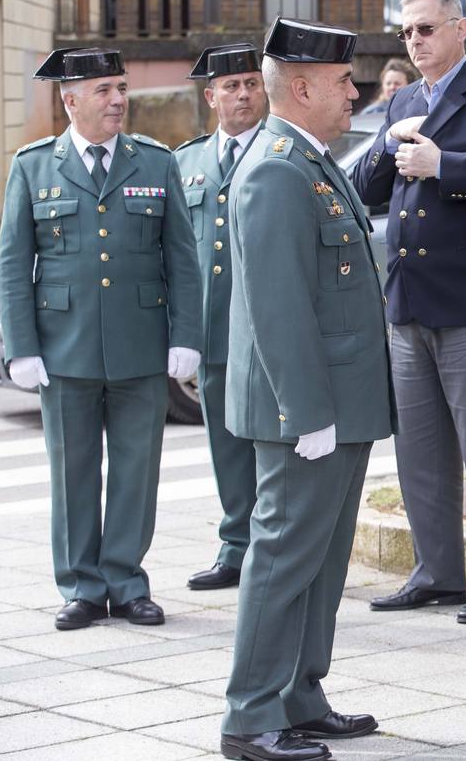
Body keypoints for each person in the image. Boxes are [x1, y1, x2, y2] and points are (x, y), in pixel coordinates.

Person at [220, 18, 395, 761]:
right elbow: (277, 305)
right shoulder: (275, 169)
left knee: (321, 561)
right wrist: (307, 413)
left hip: (338, 405)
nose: (353, 92)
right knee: (283, 557)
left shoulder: (311, 161)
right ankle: (250, 716)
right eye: (341, 83)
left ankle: (300, 694)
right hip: (307, 411)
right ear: (299, 87)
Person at [0, 48, 202, 631]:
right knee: (73, 470)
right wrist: (22, 346)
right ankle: (82, 586)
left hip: (139, 343)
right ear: (71, 100)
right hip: (64, 348)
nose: (118, 100)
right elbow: (14, 265)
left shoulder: (155, 162)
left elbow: (181, 259)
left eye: (121, 87)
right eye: (105, 90)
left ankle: (127, 581)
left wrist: (186, 335)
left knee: (138, 469)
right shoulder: (34, 166)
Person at [354, 0, 466, 624]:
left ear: (460, 30)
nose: (415, 41)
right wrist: (386, 139)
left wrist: (443, 164)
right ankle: (435, 573)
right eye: (406, 33)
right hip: (408, 300)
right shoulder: (401, 98)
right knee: (420, 450)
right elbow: (366, 188)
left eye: (426, 29)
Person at [175, 43, 267, 591]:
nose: (242, 94)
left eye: (252, 83)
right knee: (226, 445)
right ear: (211, 97)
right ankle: (237, 546)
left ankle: (280, 545)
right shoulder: (184, 161)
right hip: (214, 332)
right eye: (230, 87)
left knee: (273, 444)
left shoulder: (283, 150)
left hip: (268, 329)